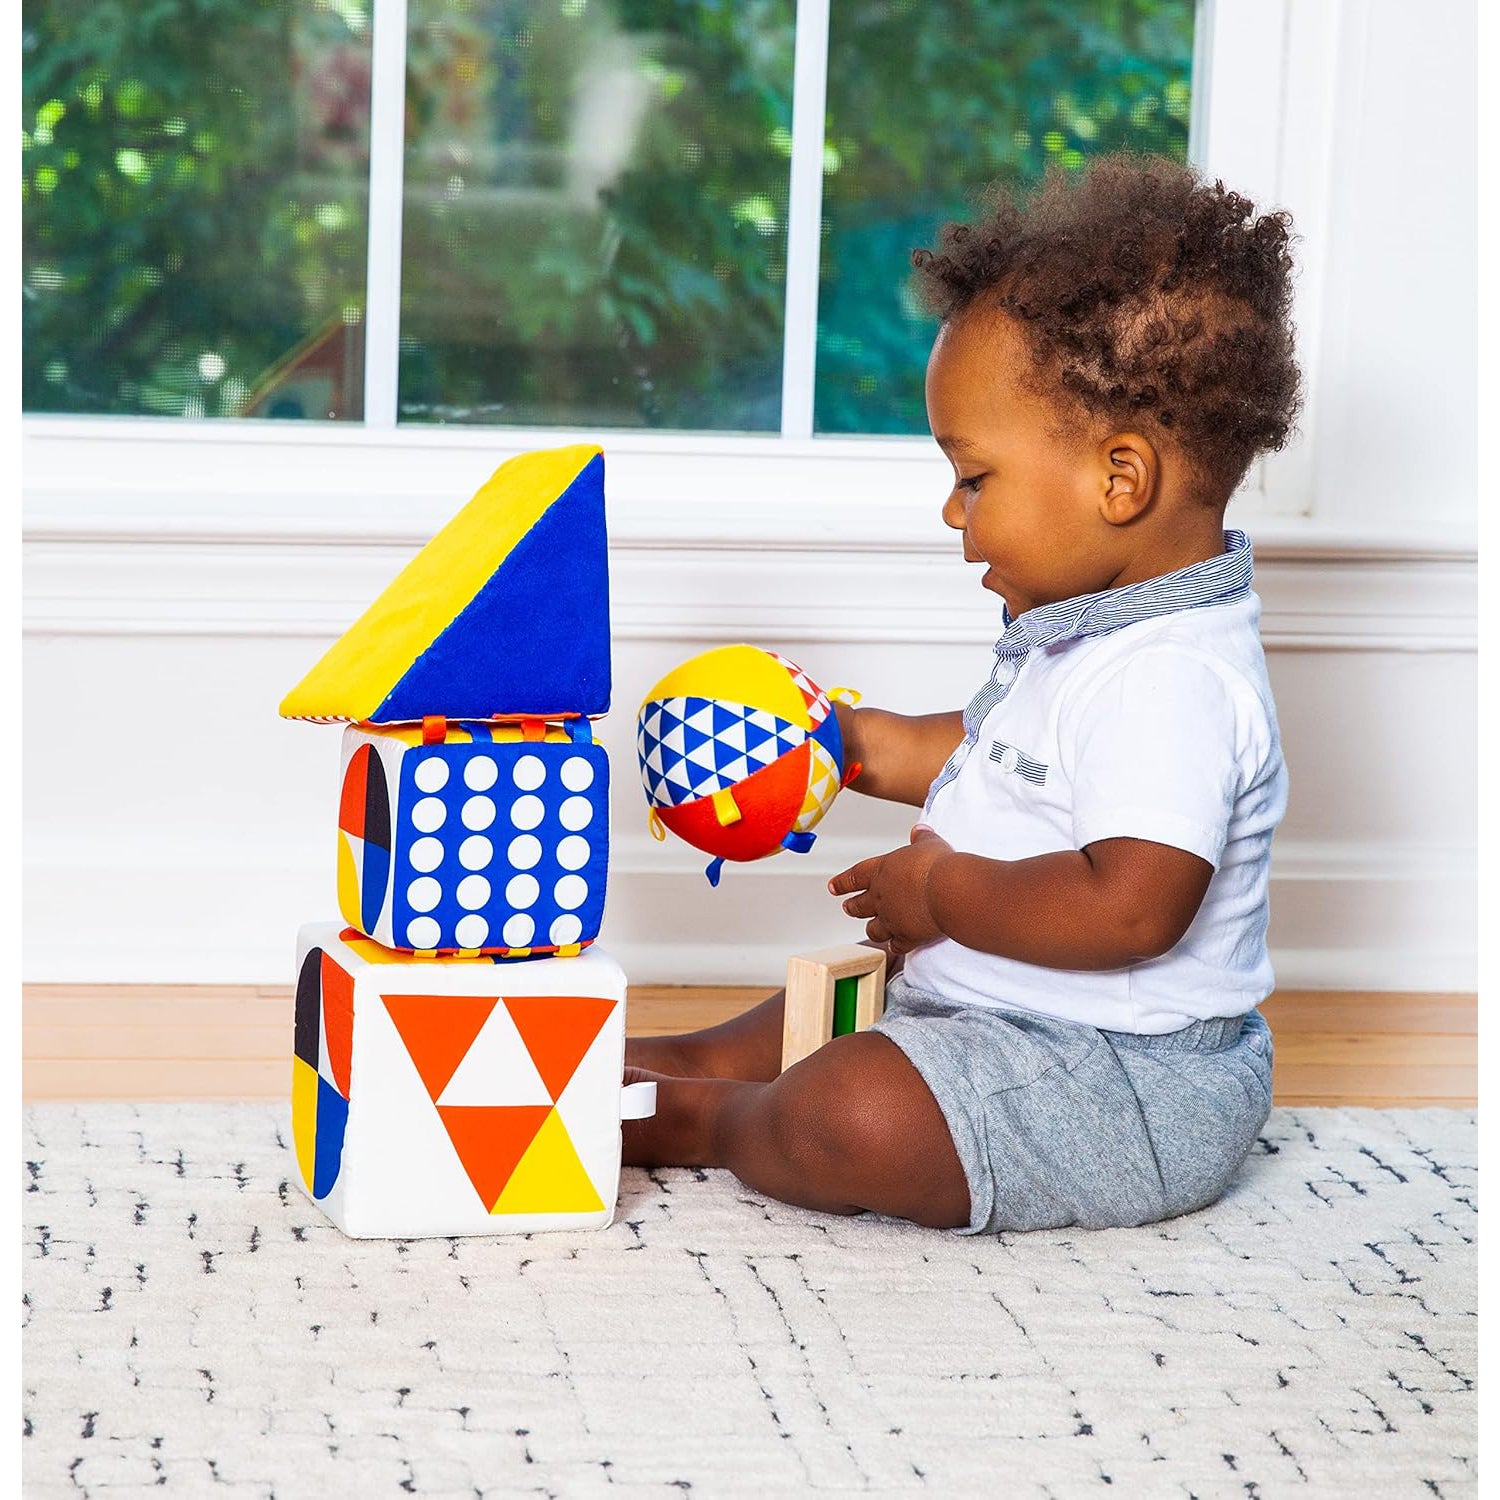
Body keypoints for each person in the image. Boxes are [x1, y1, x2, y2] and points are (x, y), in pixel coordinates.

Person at [623, 154, 1299, 1234]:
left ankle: (709, 1121)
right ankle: (673, 1066)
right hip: (988, 1004)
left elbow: (1132, 905)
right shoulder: (1085, 633)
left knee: (851, 1112)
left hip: (1119, 1082)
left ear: (1120, 480)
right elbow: (1004, 762)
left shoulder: (1172, 675)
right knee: (796, 1019)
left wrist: (941, 899)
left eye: (972, 477)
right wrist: (847, 744)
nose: (954, 513)